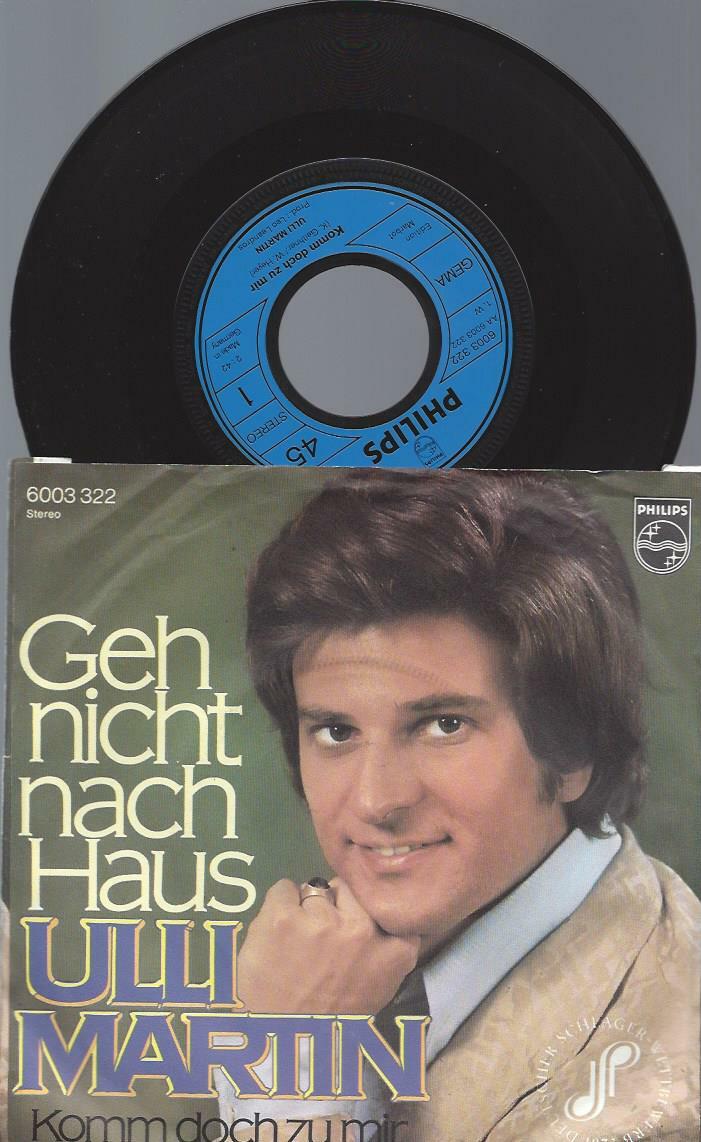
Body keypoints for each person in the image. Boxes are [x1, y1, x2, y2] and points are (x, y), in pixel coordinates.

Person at [217, 470, 700, 1141]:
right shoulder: (324, 969)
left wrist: (293, 1072)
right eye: (335, 731)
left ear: (571, 752)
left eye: (444, 725)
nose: (376, 800)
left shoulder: (664, 1103)